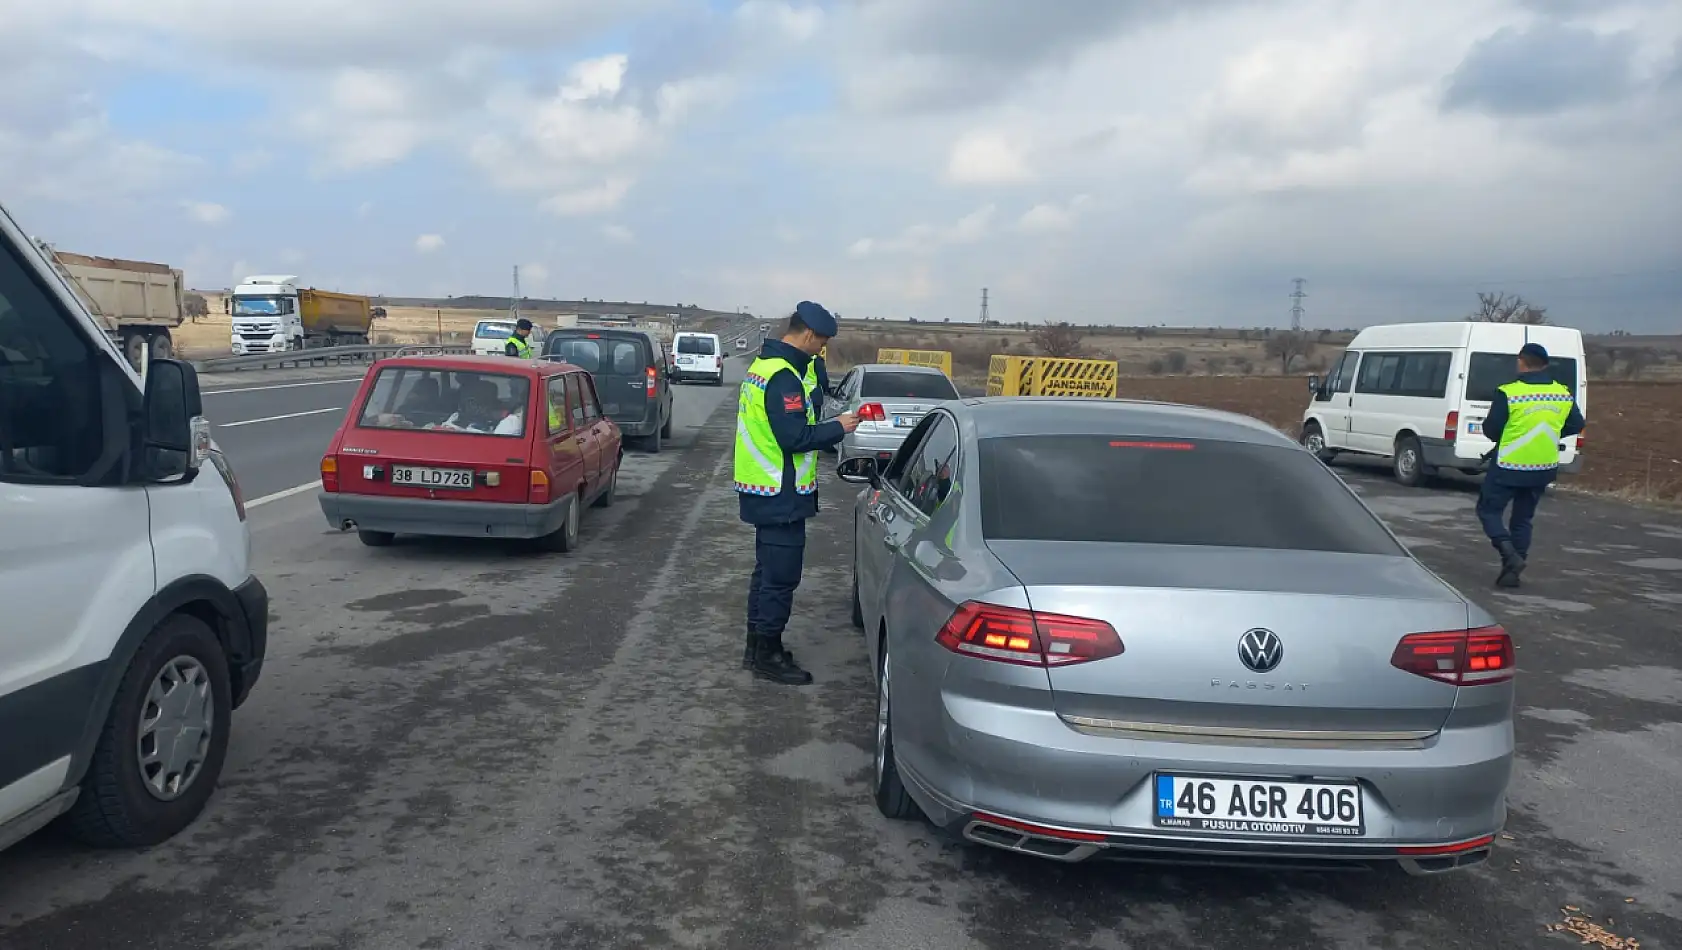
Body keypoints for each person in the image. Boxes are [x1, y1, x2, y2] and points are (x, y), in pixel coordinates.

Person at [735, 301, 859, 685]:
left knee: (766, 574)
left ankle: (757, 647)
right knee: (780, 578)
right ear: (808, 334)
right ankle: (768, 653)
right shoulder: (783, 376)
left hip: (766, 490)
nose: (821, 349)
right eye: (821, 341)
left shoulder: (764, 367)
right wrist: (839, 426)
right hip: (780, 495)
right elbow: (794, 438)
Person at [1476, 342, 1584, 588]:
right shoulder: (1562, 392)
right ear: (1545, 365)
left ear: (1522, 362)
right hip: (1542, 467)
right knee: (1523, 519)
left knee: (1488, 510)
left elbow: (1492, 430)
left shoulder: (1508, 392)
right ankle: (1513, 572)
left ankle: (1509, 554)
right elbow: (1577, 424)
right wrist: (1549, 434)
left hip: (1508, 465)